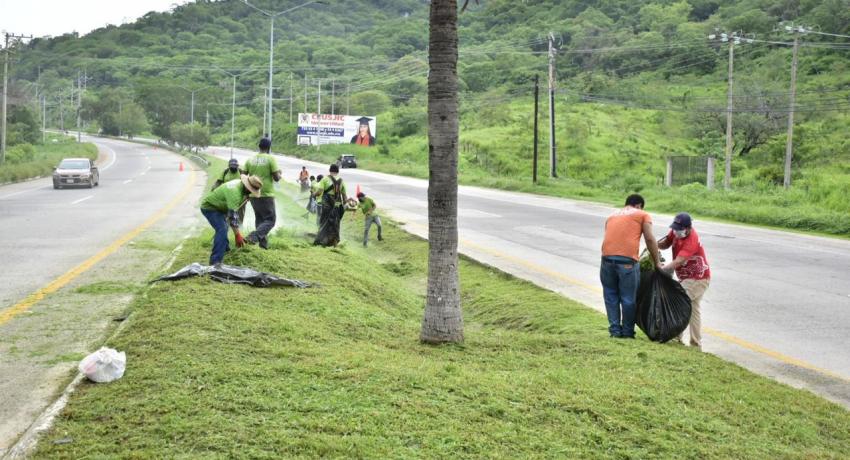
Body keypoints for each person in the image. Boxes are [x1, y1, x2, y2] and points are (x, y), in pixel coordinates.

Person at [600, 194, 663, 339]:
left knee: (610, 296)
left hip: (606, 259)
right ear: (639, 205)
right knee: (628, 298)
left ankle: (615, 331)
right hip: (627, 261)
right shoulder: (642, 214)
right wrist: (657, 262)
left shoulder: (612, 215)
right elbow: (649, 238)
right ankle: (628, 333)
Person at [658, 212, 711, 350]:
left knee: (678, 303)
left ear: (688, 228)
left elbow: (678, 261)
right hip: (688, 277)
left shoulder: (691, 240)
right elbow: (665, 244)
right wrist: (655, 244)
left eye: (679, 229)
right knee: (693, 310)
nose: (676, 232)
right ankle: (695, 344)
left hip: (697, 278)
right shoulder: (675, 231)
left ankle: (675, 336)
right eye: (674, 228)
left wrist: (660, 269)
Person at [199, 175, 263, 265]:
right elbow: (233, 217)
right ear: (247, 187)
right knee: (222, 229)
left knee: (224, 227)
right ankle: (215, 262)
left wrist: (245, 196)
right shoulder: (235, 193)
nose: (251, 193)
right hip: (210, 207)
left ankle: (226, 251)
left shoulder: (239, 184)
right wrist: (237, 235)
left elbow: (234, 205)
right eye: (251, 191)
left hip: (219, 207)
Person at [243, 137, 282, 249]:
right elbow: (276, 178)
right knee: (270, 220)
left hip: (253, 194)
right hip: (266, 194)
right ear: (269, 148)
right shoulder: (270, 159)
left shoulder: (250, 160)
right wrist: (279, 173)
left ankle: (263, 247)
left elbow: (243, 175)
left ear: (259, 146)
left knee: (260, 220)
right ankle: (253, 237)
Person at [313, 164, 347, 246]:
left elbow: (319, 192)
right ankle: (334, 242)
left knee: (324, 221)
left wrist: (314, 194)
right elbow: (344, 197)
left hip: (327, 205)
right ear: (337, 171)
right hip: (337, 206)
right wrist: (345, 206)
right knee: (335, 224)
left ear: (330, 170)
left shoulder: (325, 179)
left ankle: (320, 240)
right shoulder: (341, 181)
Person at [213, 158, 246, 223]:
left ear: (237, 166)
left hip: (239, 196)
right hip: (226, 195)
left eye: (235, 166)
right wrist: (213, 191)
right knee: (226, 211)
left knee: (240, 212)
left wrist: (247, 196)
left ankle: (239, 224)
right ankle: (227, 224)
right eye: (232, 166)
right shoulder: (225, 172)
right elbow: (218, 182)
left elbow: (246, 185)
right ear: (229, 166)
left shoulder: (241, 172)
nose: (233, 167)